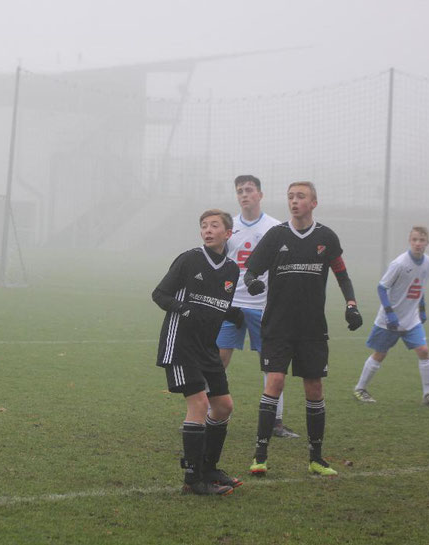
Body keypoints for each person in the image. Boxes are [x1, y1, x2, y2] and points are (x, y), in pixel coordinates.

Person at [243, 181, 363, 477]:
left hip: (311, 328)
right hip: (277, 325)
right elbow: (251, 270)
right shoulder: (276, 235)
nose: (294, 202)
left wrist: (351, 305)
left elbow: (342, 275)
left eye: (300, 197)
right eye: (290, 197)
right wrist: (252, 282)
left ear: (314, 202)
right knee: (275, 383)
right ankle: (260, 457)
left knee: (315, 388)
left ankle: (316, 458)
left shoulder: (326, 237)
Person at [152, 209, 246, 496]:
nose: (207, 230)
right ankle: (193, 480)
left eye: (214, 226)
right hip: (180, 344)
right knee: (200, 404)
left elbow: (215, 305)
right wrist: (185, 308)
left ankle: (210, 468)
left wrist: (234, 314)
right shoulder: (189, 259)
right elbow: (160, 294)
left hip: (207, 348)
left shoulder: (231, 270)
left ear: (227, 233)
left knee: (224, 407)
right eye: (203, 226)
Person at [216, 175, 299, 439]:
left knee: (271, 365)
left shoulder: (275, 228)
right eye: (240, 190)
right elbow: (217, 263)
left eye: (249, 190)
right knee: (217, 359)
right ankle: (208, 413)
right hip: (232, 306)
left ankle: (275, 421)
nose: (244, 194)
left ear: (260, 195)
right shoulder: (228, 227)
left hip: (264, 307)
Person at [353, 226, 429, 407]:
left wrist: (422, 308)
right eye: (414, 240)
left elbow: (420, 286)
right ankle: (360, 388)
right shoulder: (399, 264)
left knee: (424, 351)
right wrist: (390, 313)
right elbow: (381, 287)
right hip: (390, 320)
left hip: (411, 319)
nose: (418, 244)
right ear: (409, 241)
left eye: (422, 240)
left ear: (428, 242)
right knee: (380, 354)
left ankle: (428, 394)